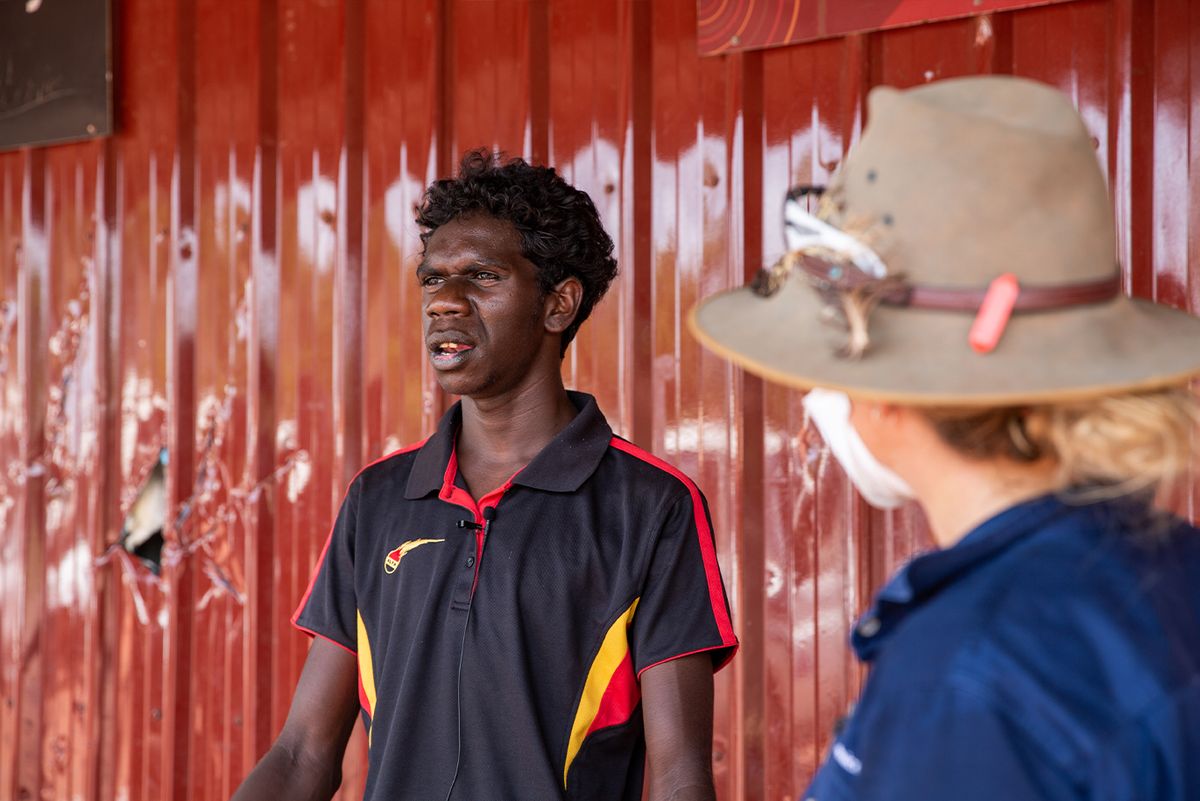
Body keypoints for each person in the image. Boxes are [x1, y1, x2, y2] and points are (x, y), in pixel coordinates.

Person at [690, 76, 1200, 800]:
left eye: (819, 368)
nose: (816, 398)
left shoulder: (968, 672)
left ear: (894, 392)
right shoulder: (1172, 563)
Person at [232, 150, 737, 801]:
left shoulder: (649, 506)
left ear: (558, 304)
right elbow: (303, 751)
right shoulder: (379, 499)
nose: (443, 301)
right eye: (432, 279)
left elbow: (677, 773)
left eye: (481, 276)